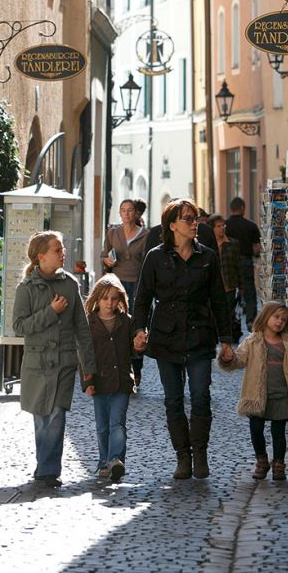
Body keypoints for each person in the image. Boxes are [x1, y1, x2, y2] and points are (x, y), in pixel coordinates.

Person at [133, 199, 234, 480]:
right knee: (173, 400)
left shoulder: (208, 257)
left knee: (201, 396)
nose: (195, 223)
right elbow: (141, 298)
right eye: (188, 219)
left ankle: (200, 453)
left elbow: (219, 300)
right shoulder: (155, 257)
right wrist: (139, 330)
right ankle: (183, 457)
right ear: (172, 225)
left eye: (196, 218)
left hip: (200, 336)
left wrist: (226, 340)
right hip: (166, 338)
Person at [13, 230, 96, 488]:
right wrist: (50, 312)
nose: (63, 254)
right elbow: (18, 326)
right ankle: (44, 465)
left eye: (62, 249)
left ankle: (49, 471)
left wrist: (88, 368)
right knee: (41, 418)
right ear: (41, 257)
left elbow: (82, 328)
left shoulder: (70, 284)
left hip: (63, 362)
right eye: (57, 250)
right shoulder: (26, 288)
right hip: (37, 364)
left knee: (57, 415)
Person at [218, 302, 288, 481]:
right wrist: (229, 358)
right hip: (257, 394)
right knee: (256, 429)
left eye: (283, 319)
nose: (279, 322)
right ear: (266, 317)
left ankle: (279, 463)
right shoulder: (253, 341)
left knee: (278, 432)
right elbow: (240, 360)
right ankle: (261, 460)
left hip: (281, 395)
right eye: (276, 317)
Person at [84, 274, 135, 482]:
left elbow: (134, 348)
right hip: (99, 381)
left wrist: (140, 343)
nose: (110, 303)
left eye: (114, 298)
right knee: (102, 426)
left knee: (118, 423)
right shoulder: (90, 323)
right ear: (97, 299)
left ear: (120, 300)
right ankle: (104, 461)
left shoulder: (126, 321)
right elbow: (84, 355)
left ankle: (115, 460)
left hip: (122, 380)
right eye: (105, 298)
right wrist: (87, 382)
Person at [101, 199, 147, 386]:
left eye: (129, 210)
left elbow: (148, 260)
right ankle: (119, 368)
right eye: (123, 210)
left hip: (137, 285)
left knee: (136, 326)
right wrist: (107, 261)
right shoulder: (112, 233)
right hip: (117, 285)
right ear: (120, 213)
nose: (126, 213)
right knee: (117, 325)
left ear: (136, 213)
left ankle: (136, 369)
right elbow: (104, 255)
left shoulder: (145, 235)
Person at [225, 197, 261, 331]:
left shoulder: (225, 225)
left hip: (228, 261)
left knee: (229, 292)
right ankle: (251, 321)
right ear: (242, 208)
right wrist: (255, 255)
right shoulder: (250, 225)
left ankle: (230, 321)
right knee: (250, 292)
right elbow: (256, 247)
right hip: (245, 260)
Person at [207, 214, 242, 343]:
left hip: (229, 284)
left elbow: (238, 265)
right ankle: (214, 336)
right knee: (213, 311)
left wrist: (241, 286)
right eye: (218, 226)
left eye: (223, 225)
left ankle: (226, 337)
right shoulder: (207, 245)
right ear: (212, 228)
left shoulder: (233, 244)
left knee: (228, 313)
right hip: (213, 285)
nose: (222, 228)